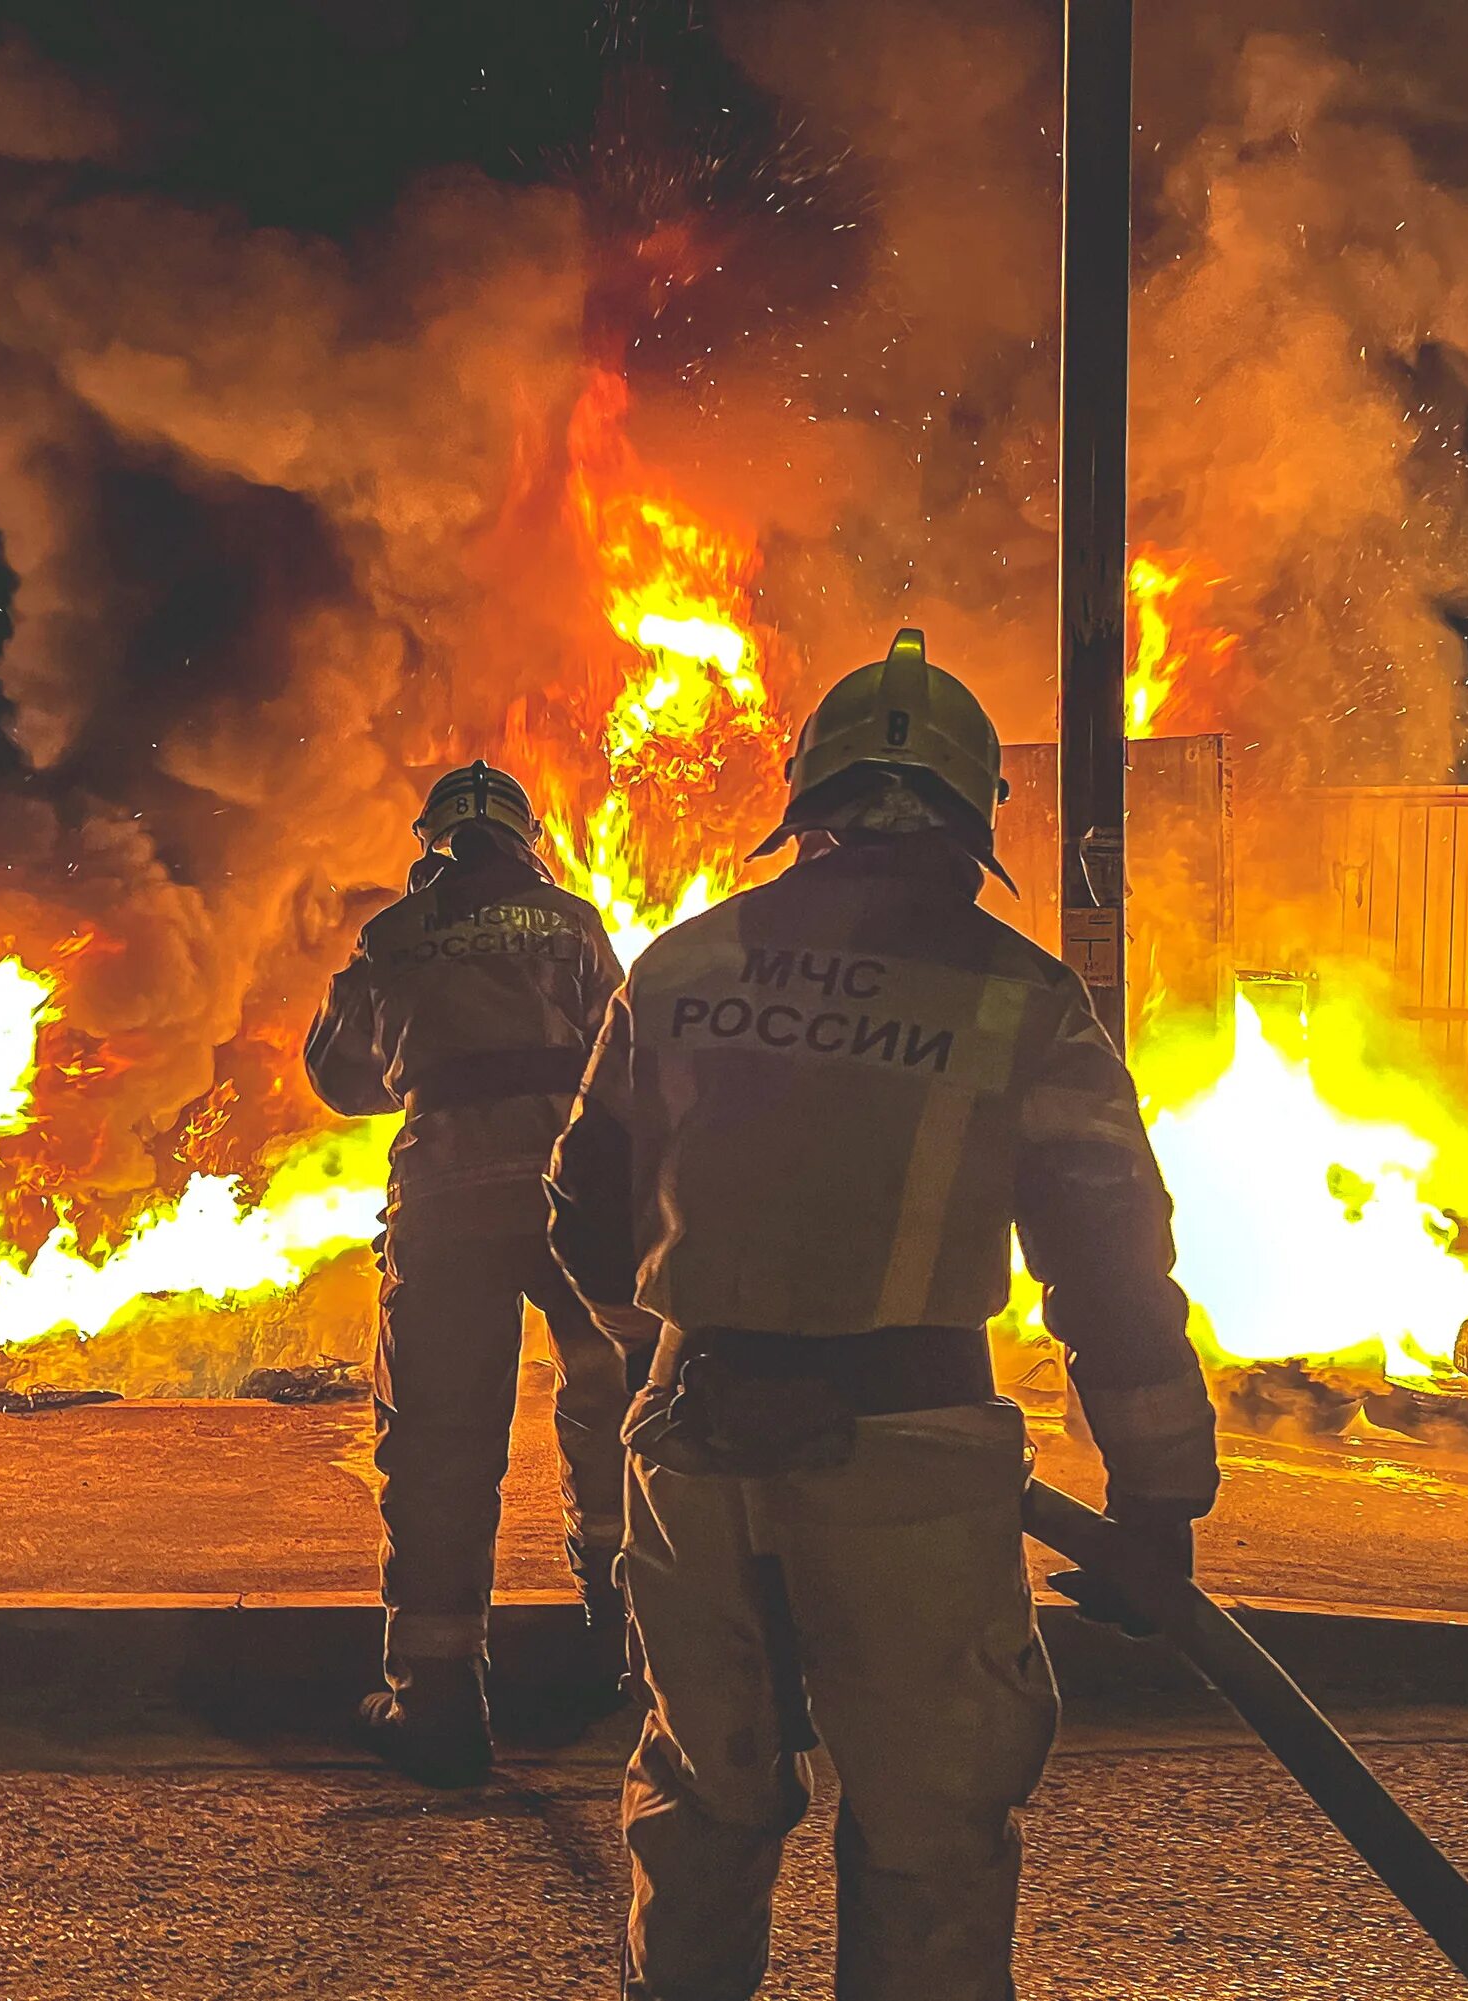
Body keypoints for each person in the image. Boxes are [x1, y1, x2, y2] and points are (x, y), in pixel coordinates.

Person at [547, 630, 1220, 1999]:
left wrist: (693, 1340)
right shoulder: (1024, 999)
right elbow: (1109, 1267)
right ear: (976, 821)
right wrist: (1159, 1497)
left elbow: (576, 1211)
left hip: (695, 1447)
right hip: (909, 1459)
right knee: (930, 1826)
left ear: (808, 804)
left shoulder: (676, 968)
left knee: (704, 1797)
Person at [304, 759, 647, 1788]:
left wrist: (430, 1055)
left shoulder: (392, 937)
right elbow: (624, 1051)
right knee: (618, 1415)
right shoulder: (576, 924)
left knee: (440, 1449)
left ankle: (438, 1701)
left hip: (447, 1203)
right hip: (574, 1202)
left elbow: (338, 1076)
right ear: (526, 838)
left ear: (432, 845)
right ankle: (629, 1651)